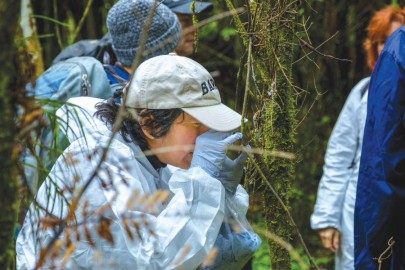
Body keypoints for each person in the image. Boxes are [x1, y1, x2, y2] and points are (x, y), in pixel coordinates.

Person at [16, 54, 261, 269]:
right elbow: (152, 259)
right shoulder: (98, 165)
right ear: (151, 123)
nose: (205, 138)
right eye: (196, 125)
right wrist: (204, 179)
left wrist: (224, 194)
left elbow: (203, 242)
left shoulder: (155, 159)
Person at [310, 6, 405, 269]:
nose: (390, 47)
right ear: (373, 46)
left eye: (396, 37)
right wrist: (328, 218)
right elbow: (339, 156)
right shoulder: (361, 93)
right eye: (383, 41)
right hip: (358, 209)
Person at [354, 24, 405, 270]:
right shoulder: (360, 91)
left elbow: (383, 162)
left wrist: (372, 257)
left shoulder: (400, 49)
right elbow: (340, 155)